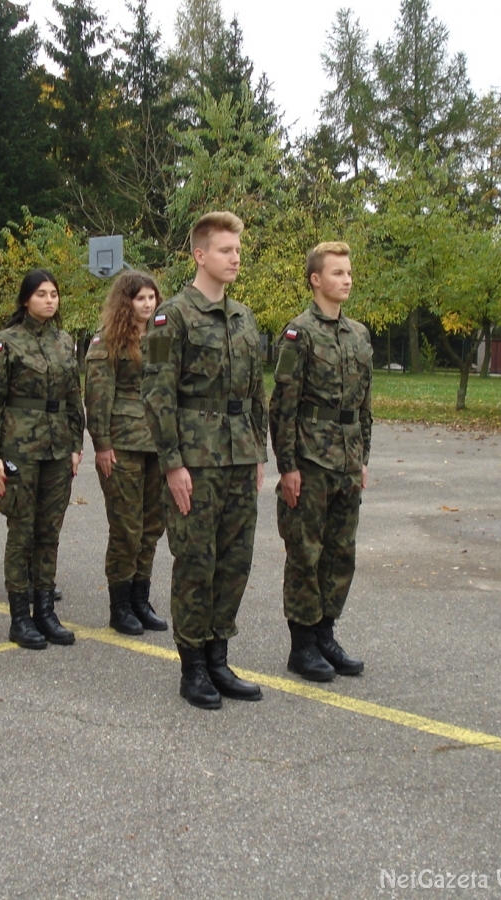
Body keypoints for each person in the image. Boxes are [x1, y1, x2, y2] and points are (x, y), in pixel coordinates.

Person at [142, 211, 268, 710]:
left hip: (239, 456)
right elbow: (158, 393)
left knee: (235, 561)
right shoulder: (171, 316)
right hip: (195, 459)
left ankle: (219, 658)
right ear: (200, 254)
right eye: (224, 250)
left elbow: (257, 392)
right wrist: (172, 463)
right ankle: (192, 666)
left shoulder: (244, 317)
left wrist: (258, 452)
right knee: (197, 562)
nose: (235, 258)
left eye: (238, 250)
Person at [270, 242, 373, 682]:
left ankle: (326, 634)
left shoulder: (359, 335)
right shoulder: (299, 334)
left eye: (348, 272)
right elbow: (283, 405)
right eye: (337, 273)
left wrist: (363, 457)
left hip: (347, 460)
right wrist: (288, 466)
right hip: (311, 459)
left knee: (340, 552)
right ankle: (303, 644)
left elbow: (365, 404)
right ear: (316, 280)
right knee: (305, 552)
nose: (346, 280)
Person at [0, 270, 84, 649]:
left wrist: (76, 445)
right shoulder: (5, 343)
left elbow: (73, 399)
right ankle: (20, 616)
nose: (49, 300)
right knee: (22, 532)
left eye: (54, 294)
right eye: (41, 294)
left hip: (58, 450)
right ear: (26, 300)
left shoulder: (64, 342)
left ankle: (45, 611)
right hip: (19, 449)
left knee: (49, 533)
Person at [85, 271, 168, 635]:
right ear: (126, 302)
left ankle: (140, 599)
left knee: (151, 526)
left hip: (158, 444)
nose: (148, 304)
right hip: (122, 444)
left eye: (152, 298)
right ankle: (120, 606)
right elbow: (97, 396)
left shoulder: (161, 337)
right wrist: (102, 444)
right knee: (126, 527)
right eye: (140, 298)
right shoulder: (108, 340)